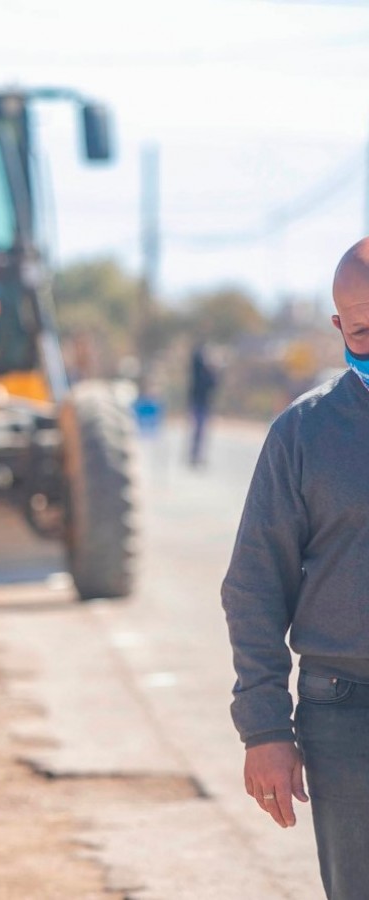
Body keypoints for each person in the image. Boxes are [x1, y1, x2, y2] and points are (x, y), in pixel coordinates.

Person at [221, 237, 369, 900]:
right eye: (363, 332)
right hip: (346, 715)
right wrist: (264, 730)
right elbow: (253, 587)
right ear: (339, 328)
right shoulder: (303, 434)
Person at [187, 340, 220, 468]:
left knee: (200, 431)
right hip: (198, 403)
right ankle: (195, 455)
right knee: (198, 431)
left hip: (203, 404)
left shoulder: (206, 373)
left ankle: (197, 455)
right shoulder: (199, 371)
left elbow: (214, 385)